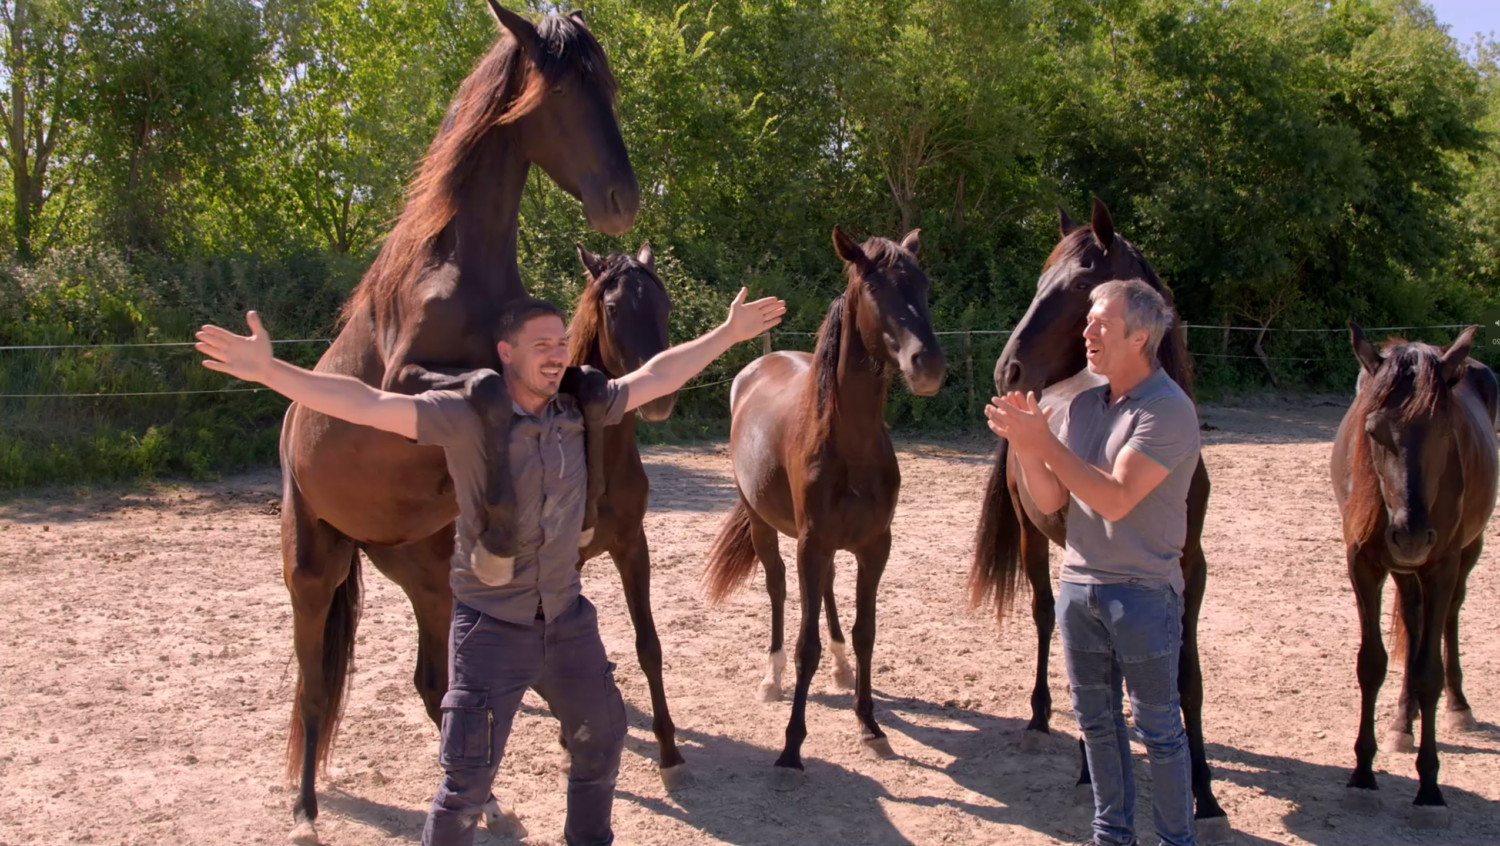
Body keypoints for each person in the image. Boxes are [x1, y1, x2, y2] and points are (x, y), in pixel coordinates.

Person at [196, 288, 786, 846]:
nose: (556, 356)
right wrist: (271, 372)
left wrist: (728, 334)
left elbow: (657, 375)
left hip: (567, 621)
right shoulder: (463, 416)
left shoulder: (582, 405)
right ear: (505, 353)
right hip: (490, 629)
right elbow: (367, 403)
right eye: (541, 346)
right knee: (466, 785)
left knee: (601, 744)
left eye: (561, 345)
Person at [983, 279, 1200, 846]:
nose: (1087, 331)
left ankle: (1177, 839)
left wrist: (1045, 442)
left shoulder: (1168, 411)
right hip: (1079, 588)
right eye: (1089, 321)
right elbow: (1053, 501)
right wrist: (1028, 447)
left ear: (1140, 336)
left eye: (1101, 323)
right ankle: (1113, 837)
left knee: (1159, 731)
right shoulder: (1081, 406)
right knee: (1097, 728)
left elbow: (1114, 497)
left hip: (1143, 595)